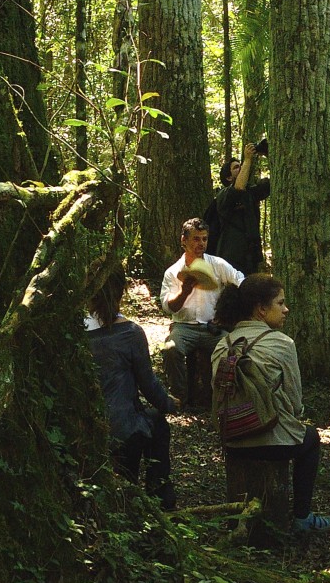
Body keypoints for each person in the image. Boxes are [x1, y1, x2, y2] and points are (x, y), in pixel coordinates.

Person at [213, 273, 330, 533]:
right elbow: (295, 401)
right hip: (272, 443)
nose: (286, 309)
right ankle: (302, 517)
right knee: (310, 439)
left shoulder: (222, 345)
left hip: (232, 441)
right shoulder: (282, 343)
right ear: (261, 309)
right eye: (280, 303)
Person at [87, 268, 177, 509]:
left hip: (87, 426)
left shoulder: (73, 333)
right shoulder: (129, 332)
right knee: (157, 423)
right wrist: (170, 404)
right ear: (121, 292)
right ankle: (161, 500)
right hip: (123, 427)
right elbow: (148, 384)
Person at [159, 218, 244, 397]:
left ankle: (223, 397)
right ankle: (179, 397)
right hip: (184, 327)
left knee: (233, 349)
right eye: (196, 239)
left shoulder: (217, 264)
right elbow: (169, 307)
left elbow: (240, 281)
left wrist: (226, 315)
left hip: (212, 327)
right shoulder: (173, 272)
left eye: (204, 239)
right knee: (170, 350)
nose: (201, 244)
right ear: (184, 240)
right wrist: (184, 292)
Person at [206, 141, 270, 277]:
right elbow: (239, 187)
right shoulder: (223, 195)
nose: (240, 168)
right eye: (236, 168)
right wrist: (247, 159)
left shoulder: (250, 193)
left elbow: (272, 183)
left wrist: (267, 154)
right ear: (228, 177)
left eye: (241, 166)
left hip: (250, 257)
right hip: (230, 258)